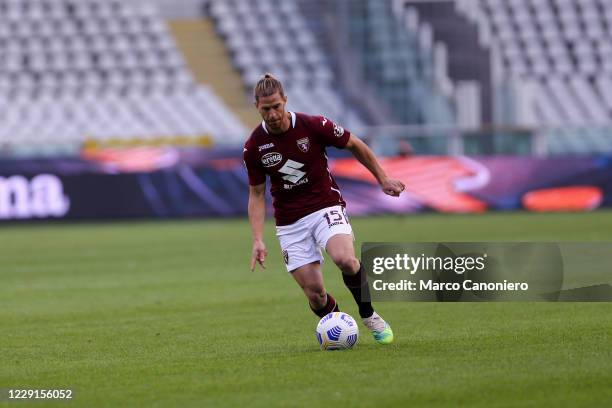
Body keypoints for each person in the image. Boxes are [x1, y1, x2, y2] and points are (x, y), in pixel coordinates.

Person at [243, 74, 405, 344]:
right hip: (290, 222)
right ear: (257, 107)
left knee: (345, 260)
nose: (272, 114)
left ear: (285, 101)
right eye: (265, 109)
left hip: (324, 205)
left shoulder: (313, 124)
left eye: (276, 106)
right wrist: (258, 239)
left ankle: (369, 314)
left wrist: (383, 178)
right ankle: (340, 329)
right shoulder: (254, 147)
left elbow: (355, 143)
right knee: (315, 295)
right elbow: (256, 193)